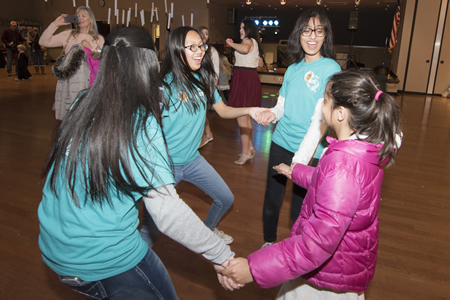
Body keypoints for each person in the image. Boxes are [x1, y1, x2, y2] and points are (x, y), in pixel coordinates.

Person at [38, 26, 236, 300]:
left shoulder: (82, 101)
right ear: (148, 64)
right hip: (103, 258)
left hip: (55, 249)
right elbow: (167, 211)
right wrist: (221, 255)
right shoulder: (141, 123)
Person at [219, 69, 403, 300]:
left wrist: (253, 269)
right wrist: (296, 171)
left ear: (340, 114)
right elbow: (330, 185)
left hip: (327, 279)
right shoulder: (358, 152)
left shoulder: (343, 165)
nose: (321, 104)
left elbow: (316, 245)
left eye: (325, 100)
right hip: (341, 267)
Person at [140, 26, 268, 246]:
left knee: (226, 198)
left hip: (192, 160)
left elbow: (224, 110)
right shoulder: (164, 87)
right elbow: (145, 129)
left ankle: (208, 230)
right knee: (150, 230)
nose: (199, 51)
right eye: (192, 47)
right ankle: (132, 267)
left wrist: (249, 110)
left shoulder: (203, 79)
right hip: (166, 166)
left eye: (201, 46)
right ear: (177, 50)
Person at [255, 9, 341, 248]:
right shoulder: (292, 69)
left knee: (300, 206)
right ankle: (269, 243)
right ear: (299, 34)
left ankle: (296, 249)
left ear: (325, 36)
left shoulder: (331, 68)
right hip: (281, 142)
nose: (312, 36)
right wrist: (271, 113)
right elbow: (282, 104)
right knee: (272, 199)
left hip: (312, 150)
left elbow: (327, 114)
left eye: (318, 30)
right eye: (306, 30)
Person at [40, 6, 104, 120]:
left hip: (88, 80)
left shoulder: (98, 38)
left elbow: (100, 58)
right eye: (78, 16)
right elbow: (43, 41)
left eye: (84, 15)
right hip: (68, 79)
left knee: (84, 113)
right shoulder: (68, 34)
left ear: (91, 19)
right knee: (68, 112)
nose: (80, 18)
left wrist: (90, 48)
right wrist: (55, 24)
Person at [225, 19, 264, 165]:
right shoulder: (253, 41)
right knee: (246, 117)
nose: (240, 30)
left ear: (249, 30)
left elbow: (245, 50)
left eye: (243, 28)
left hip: (244, 79)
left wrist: (230, 43)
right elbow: (257, 61)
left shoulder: (248, 40)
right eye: (240, 28)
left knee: (241, 117)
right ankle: (250, 147)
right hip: (247, 78)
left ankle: (246, 152)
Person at [198, 26, 219, 149]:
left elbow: (215, 71)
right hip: (197, 82)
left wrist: (213, 88)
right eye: (201, 33)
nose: (203, 35)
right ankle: (208, 133)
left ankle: (206, 135)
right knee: (200, 111)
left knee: (202, 111)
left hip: (207, 84)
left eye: (206, 33)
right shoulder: (196, 49)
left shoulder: (212, 52)